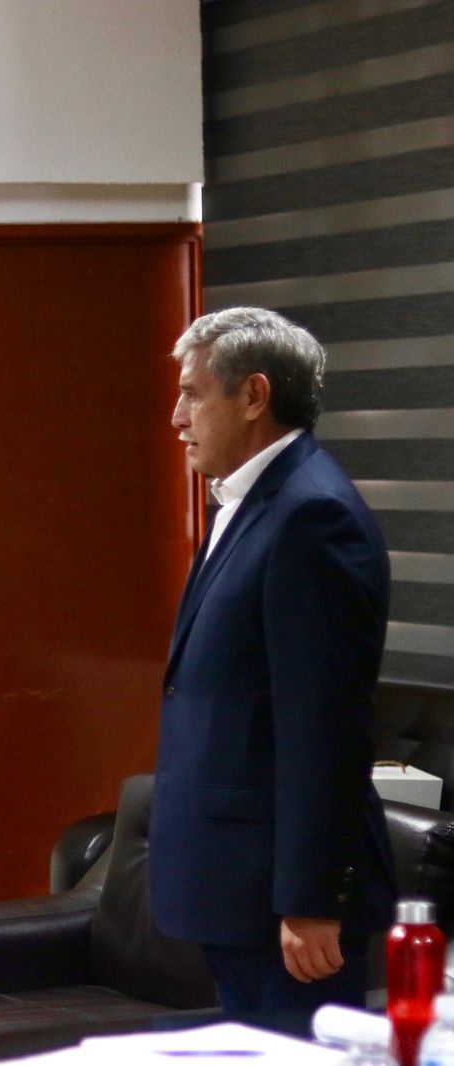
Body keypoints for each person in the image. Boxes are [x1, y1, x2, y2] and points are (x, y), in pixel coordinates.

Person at [151, 308, 395, 1028]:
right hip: (236, 886)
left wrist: (313, 899)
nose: (177, 417)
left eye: (192, 393)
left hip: (283, 903)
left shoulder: (312, 515)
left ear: (254, 395)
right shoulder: (250, 499)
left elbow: (325, 726)